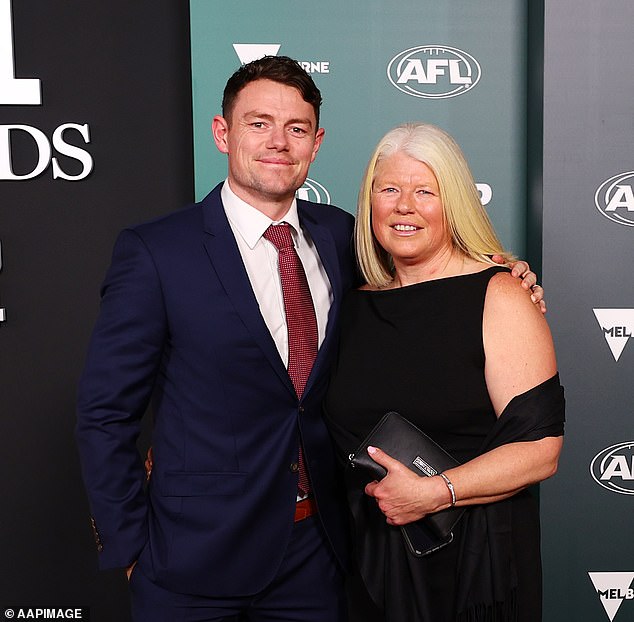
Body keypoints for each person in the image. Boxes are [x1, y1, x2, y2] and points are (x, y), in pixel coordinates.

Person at [75, 56, 542, 622]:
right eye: (259, 123)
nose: (279, 142)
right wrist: (130, 548)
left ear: (316, 143)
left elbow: (427, 281)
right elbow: (105, 414)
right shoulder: (156, 252)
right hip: (189, 562)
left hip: (321, 556)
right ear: (222, 133)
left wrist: (504, 275)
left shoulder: (346, 236)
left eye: (296, 129)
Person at [324, 123, 565, 622]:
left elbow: (540, 451)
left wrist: (434, 492)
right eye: (389, 189)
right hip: (372, 567)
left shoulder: (500, 296)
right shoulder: (353, 306)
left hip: (476, 569)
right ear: (370, 201)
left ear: (453, 202)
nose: (404, 205)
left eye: (425, 191)